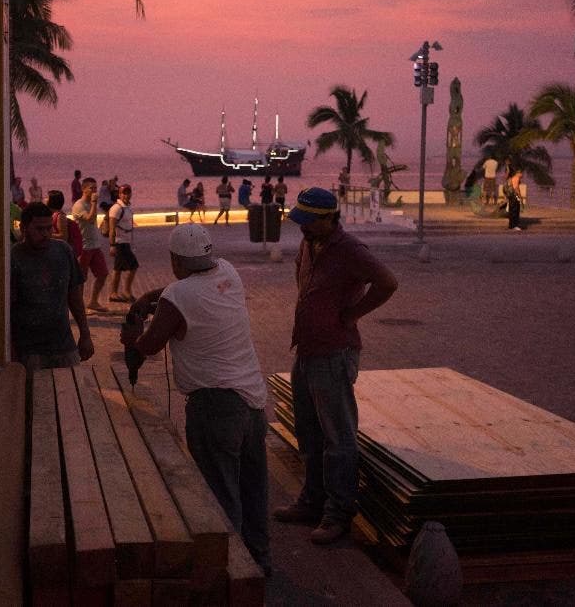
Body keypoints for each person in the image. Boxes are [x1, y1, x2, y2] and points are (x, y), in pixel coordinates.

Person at [121, 224, 270, 574]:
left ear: (175, 260)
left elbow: (150, 346)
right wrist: (150, 298)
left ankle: (227, 574)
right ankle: (259, 562)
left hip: (215, 408)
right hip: (253, 402)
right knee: (252, 489)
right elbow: (182, 290)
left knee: (220, 495)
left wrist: (131, 338)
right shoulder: (228, 273)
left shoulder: (178, 296)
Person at [273, 187, 398, 545]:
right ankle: (312, 501)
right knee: (308, 432)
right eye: (301, 221)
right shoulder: (308, 243)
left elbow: (388, 282)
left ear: (330, 218)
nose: (303, 228)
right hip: (307, 350)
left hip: (333, 354)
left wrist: (352, 314)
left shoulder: (350, 250)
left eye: (310, 222)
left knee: (338, 438)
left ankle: (338, 513)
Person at [10, 202, 93, 370]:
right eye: (39, 229)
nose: (46, 234)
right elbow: (8, 307)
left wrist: (85, 335)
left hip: (64, 346)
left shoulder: (63, 251)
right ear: (24, 228)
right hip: (29, 351)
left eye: (49, 228)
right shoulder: (14, 257)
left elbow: (75, 297)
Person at [71, 177, 109, 312]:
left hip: (95, 245)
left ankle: (93, 301)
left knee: (103, 274)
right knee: (81, 279)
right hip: (84, 247)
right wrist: (94, 202)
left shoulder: (92, 204)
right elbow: (90, 218)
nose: (94, 191)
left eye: (95, 188)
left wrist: (94, 203)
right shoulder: (79, 205)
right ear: (83, 189)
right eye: (91, 188)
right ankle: (79, 306)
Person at [108, 184, 138, 302]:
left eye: (128, 193)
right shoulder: (116, 208)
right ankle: (123, 292)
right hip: (119, 242)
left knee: (118, 269)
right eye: (124, 193)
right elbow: (112, 228)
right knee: (132, 266)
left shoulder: (127, 207)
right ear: (119, 194)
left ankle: (116, 293)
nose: (126, 195)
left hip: (125, 242)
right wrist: (112, 245)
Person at [47, 190, 83, 259]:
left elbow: (63, 236)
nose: (45, 199)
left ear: (52, 201)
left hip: (62, 253)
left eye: (47, 198)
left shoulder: (60, 216)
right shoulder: (53, 215)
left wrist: (47, 235)